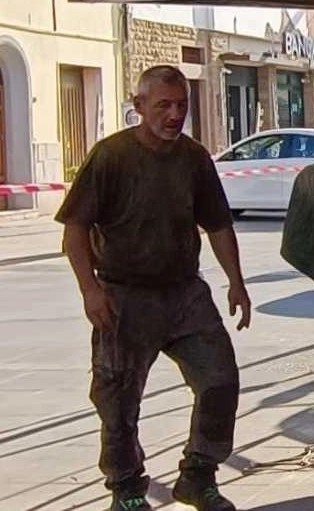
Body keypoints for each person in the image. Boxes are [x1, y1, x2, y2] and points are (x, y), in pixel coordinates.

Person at [57, 65, 251, 511]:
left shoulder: (195, 158)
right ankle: (126, 490)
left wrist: (236, 282)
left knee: (220, 380)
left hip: (184, 292)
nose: (174, 115)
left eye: (181, 105)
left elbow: (218, 224)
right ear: (139, 106)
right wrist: (90, 290)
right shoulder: (111, 156)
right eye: (163, 105)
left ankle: (198, 477)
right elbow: (75, 229)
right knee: (118, 398)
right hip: (124, 294)